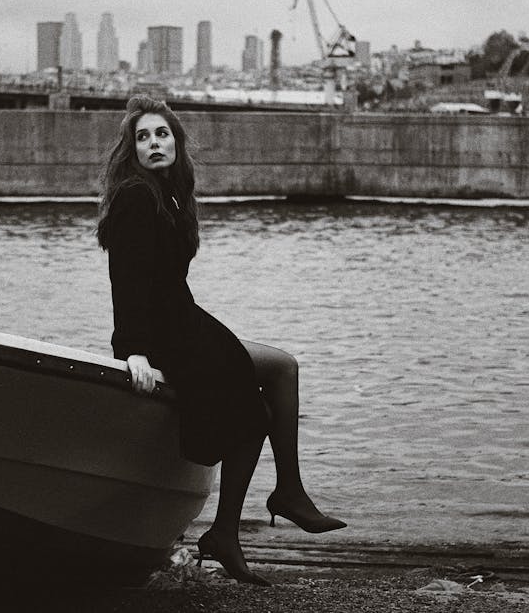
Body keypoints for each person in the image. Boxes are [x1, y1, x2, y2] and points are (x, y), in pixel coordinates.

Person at [97, 95, 345, 586]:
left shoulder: (169, 193)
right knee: (257, 410)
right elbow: (126, 279)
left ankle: (275, 499)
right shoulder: (135, 196)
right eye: (142, 137)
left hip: (185, 321)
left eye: (162, 134)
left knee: (282, 367)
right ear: (132, 150)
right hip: (165, 334)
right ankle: (249, 518)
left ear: (177, 141)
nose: (154, 144)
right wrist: (133, 351)